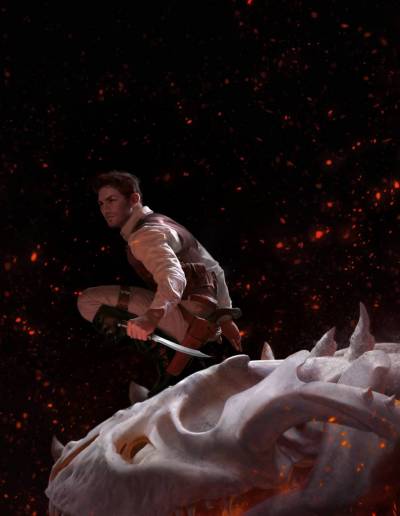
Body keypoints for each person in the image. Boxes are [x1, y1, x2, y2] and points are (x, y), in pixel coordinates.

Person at [77, 170, 242, 394]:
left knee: (87, 301)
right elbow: (214, 269)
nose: (105, 208)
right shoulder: (162, 223)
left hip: (187, 319)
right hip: (205, 320)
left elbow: (174, 276)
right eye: (101, 203)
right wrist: (224, 317)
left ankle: (170, 359)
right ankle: (173, 357)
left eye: (112, 200)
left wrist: (150, 317)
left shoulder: (144, 236)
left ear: (134, 199)